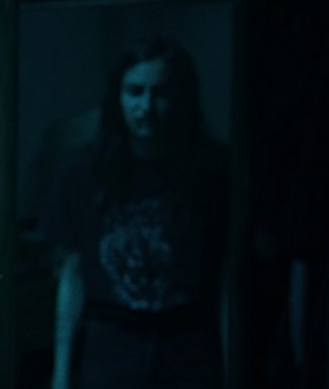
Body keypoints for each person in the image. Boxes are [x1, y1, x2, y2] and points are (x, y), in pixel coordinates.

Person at [42, 39, 229, 389]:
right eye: (135, 92)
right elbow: (72, 273)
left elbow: (225, 276)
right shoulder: (82, 172)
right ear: (118, 96)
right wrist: (61, 371)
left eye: (160, 93)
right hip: (111, 343)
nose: (146, 106)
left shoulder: (212, 172)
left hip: (186, 343)